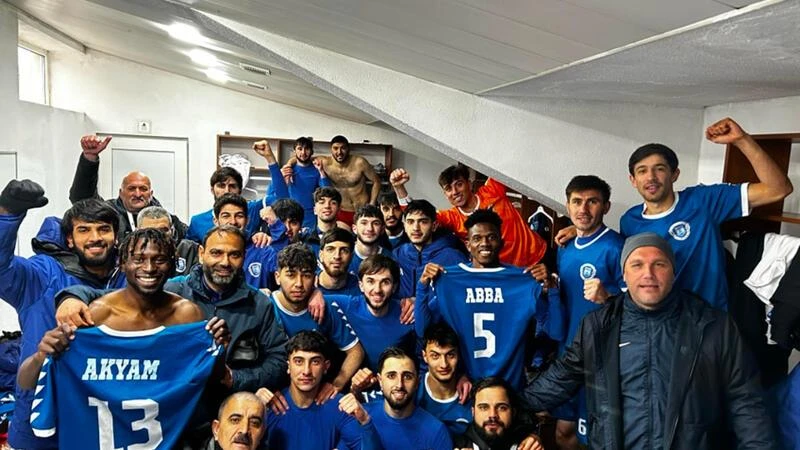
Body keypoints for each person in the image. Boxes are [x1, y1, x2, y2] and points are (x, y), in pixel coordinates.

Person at [523, 233, 780, 450]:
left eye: (659, 264)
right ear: (624, 275)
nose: (648, 273)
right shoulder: (598, 326)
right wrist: (510, 405)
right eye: (637, 265)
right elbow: (562, 376)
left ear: (673, 272)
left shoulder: (712, 326)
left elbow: (745, 400)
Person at [20, 228, 229, 449]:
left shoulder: (187, 316)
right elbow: (25, 381)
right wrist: (42, 354)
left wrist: (218, 350)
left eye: (159, 260)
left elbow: (210, 381)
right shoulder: (97, 315)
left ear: (172, 264)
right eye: (138, 259)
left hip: (169, 439)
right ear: (122, 263)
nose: (149, 268)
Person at [56, 225, 289, 422]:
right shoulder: (171, 290)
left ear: (244, 257)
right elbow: (117, 297)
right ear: (201, 254)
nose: (224, 262)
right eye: (216, 253)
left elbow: (279, 360)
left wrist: (234, 378)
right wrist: (72, 297)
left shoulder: (259, 304)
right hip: (170, 414)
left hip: (228, 413)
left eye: (234, 255)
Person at [0, 179, 127, 450]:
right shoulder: (42, 275)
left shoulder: (129, 278)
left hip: (108, 416)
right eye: (84, 230)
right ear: (69, 239)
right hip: (42, 415)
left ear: (116, 236)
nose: (95, 237)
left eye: (104, 229)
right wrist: (7, 215)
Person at [619, 117, 791, 310]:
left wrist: (742, 140)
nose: (651, 177)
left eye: (659, 169)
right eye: (642, 171)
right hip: (658, 316)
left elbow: (778, 189)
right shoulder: (629, 221)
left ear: (674, 174)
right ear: (633, 180)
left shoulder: (703, 201)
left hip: (709, 315)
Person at [416, 209, 555, 391]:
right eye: (477, 238)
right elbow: (422, 329)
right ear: (467, 244)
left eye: (491, 237)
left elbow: (556, 331)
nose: (485, 243)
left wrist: (553, 290)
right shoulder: (450, 279)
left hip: (510, 388)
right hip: (467, 387)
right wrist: (422, 287)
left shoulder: (523, 279)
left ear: (502, 242)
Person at [554, 175, 625, 449]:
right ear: (567, 205)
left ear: (606, 207)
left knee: (592, 438)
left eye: (592, 202)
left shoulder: (617, 247)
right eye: (577, 202)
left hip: (600, 359)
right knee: (563, 432)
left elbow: (640, 305)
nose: (583, 209)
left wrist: (608, 297)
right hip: (567, 354)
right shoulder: (565, 246)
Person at [390, 164, 547, 271]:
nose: (455, 192)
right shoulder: (452, 218)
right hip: (505, 274)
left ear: (469, 184)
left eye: (459, 184)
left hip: (539, 258)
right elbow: (417, 213)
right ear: (445, 194)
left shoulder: (493, 190)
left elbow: (503, 161)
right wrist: (399, 187)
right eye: (448, 189)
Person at [270, 243, 365, 401]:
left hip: (315, 396)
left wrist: (337, 384)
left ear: (315, 279)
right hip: (277, 396)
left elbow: (356, 352)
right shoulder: (265, 306)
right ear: (277, 277)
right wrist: (265, 389)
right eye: (291, 275)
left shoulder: (325, 307)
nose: (299, 283)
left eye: (306, 275)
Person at [256, 331, 378, 450]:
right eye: (299, 361)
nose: (306, 371)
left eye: (315, 362)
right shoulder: (269, 407)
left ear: (326, 367)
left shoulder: (340, 407)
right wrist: (254, 407)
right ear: (288, 366)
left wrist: (365, 421)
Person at [70, 135, 188, 241]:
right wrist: (90, 158)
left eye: (143, 189)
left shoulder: (166, 219)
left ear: (151, 194)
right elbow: (82, 198)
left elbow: (191, 240)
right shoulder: (107, 213)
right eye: (131, 189)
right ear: (121, 193)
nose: (138, 194)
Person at [186, 137, 287, 241]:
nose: (227, 191)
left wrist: (270, 158)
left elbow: (283, 201)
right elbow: (189, 249)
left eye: (232, 186)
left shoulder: (252, 209)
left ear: (240, 190)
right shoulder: (197, 222)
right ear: (212, 190)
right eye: (221, 186)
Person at [328, 254, 415, 374]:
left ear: (394, 287)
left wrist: (417, 301)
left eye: (385, 282)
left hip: (392, 382)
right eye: (370, 281)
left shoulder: (407, 313)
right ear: (361, 285)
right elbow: (308, 297)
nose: (377, 289)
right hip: (353, 383)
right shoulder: (346, 305)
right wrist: (316, 294)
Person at [363, 347, 453, 449]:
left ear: (417, 382)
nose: (399, 385)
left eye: (407, 377)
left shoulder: (437, 432)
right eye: (391, 376)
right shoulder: (361, 417)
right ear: (380, 380)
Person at [289, 135, 381, 226]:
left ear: (348, 149)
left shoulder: (359, 162)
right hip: (340, 212)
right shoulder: (325, 162)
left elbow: (376, 181)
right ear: (331, 149)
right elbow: (302, 157)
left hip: (361, 210)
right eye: (335, 148)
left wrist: (372, 203)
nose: (339, 152)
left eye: (343, 148)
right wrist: (288, 165)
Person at [393, 199, 467, 299]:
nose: (415, 228)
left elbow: (466, 296)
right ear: (404, 226)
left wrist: (421, 302)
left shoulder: (453, 257)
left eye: (423, 222)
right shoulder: (397, 255)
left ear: (434, 226)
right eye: (410, 222)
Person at [416, 323, 472, 438]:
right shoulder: (413, 391)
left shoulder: (473, 396)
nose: (444, 364)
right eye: (435, 356)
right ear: (425, 356)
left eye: (450, 355)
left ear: (458, 355)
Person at [454, 378, 543, 450]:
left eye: (502, 408)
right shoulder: (457, 445)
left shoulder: (529, 444)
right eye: (484, 407)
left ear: (513, 412)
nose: (492, 415)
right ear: (473, 412)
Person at [271, 137, 333, 230]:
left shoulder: (316, 169)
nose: (303, 152)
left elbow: (328, 191)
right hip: (290, 213)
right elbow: (274, 192)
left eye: (307, 149)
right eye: (300, 149)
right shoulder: (287, 170)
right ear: (294, 151)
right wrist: (281, 178)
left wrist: (321, 171)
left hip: (311, 216)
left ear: (312, 151)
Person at [137, 205, 199, 276]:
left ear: (172, 230)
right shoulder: (129, 252)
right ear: (137, 232)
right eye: (150, 231)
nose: (158, 235)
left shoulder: (189, 250)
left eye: (163, 230)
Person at [295, 186, 350, 255]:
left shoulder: (347, 239)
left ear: (339, 210)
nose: (327, 206)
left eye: (333, 203)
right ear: (315, 210)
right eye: (322, 202)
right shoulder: (303, 239)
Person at [317, 228, 362, 297]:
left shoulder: (361, 288)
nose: (337, 256)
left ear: (351, 256)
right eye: (330, 249)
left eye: (344, 250)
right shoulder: (308, 285)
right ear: (321, 255)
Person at [349, 204, 392, 275]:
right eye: (364, 223)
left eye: (375, 223)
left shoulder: (391, 259)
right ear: (354, 229)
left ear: (382, 229)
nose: (370, 228)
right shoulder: (344, 256)